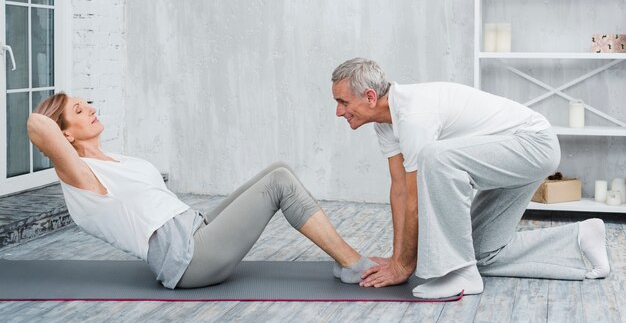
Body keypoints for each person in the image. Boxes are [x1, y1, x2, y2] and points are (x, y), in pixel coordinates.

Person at [28, 93, 376, 289]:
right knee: (280, 184)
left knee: (276, 170)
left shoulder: (112, 159)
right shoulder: (82, 178)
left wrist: (69, 114)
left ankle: (347, 260)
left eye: (86, 103)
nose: (91, 108)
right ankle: (354, 264)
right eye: (78, 110)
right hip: (189, 260)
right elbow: (37, 124)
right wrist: (59, 132)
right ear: (65, 136)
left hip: (197, 230)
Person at [330, 57, 610, 300]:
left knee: (435, 158)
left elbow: (416, 197)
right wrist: (396, 259)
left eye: (343, 102)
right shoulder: (386, 123)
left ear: (369, 97)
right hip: (504, 154)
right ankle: (580, 238)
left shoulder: (413, 115)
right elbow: (400, 190)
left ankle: (460, 272)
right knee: (482, 252)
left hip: (532, 144)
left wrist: (403, 266)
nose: (339, 111)